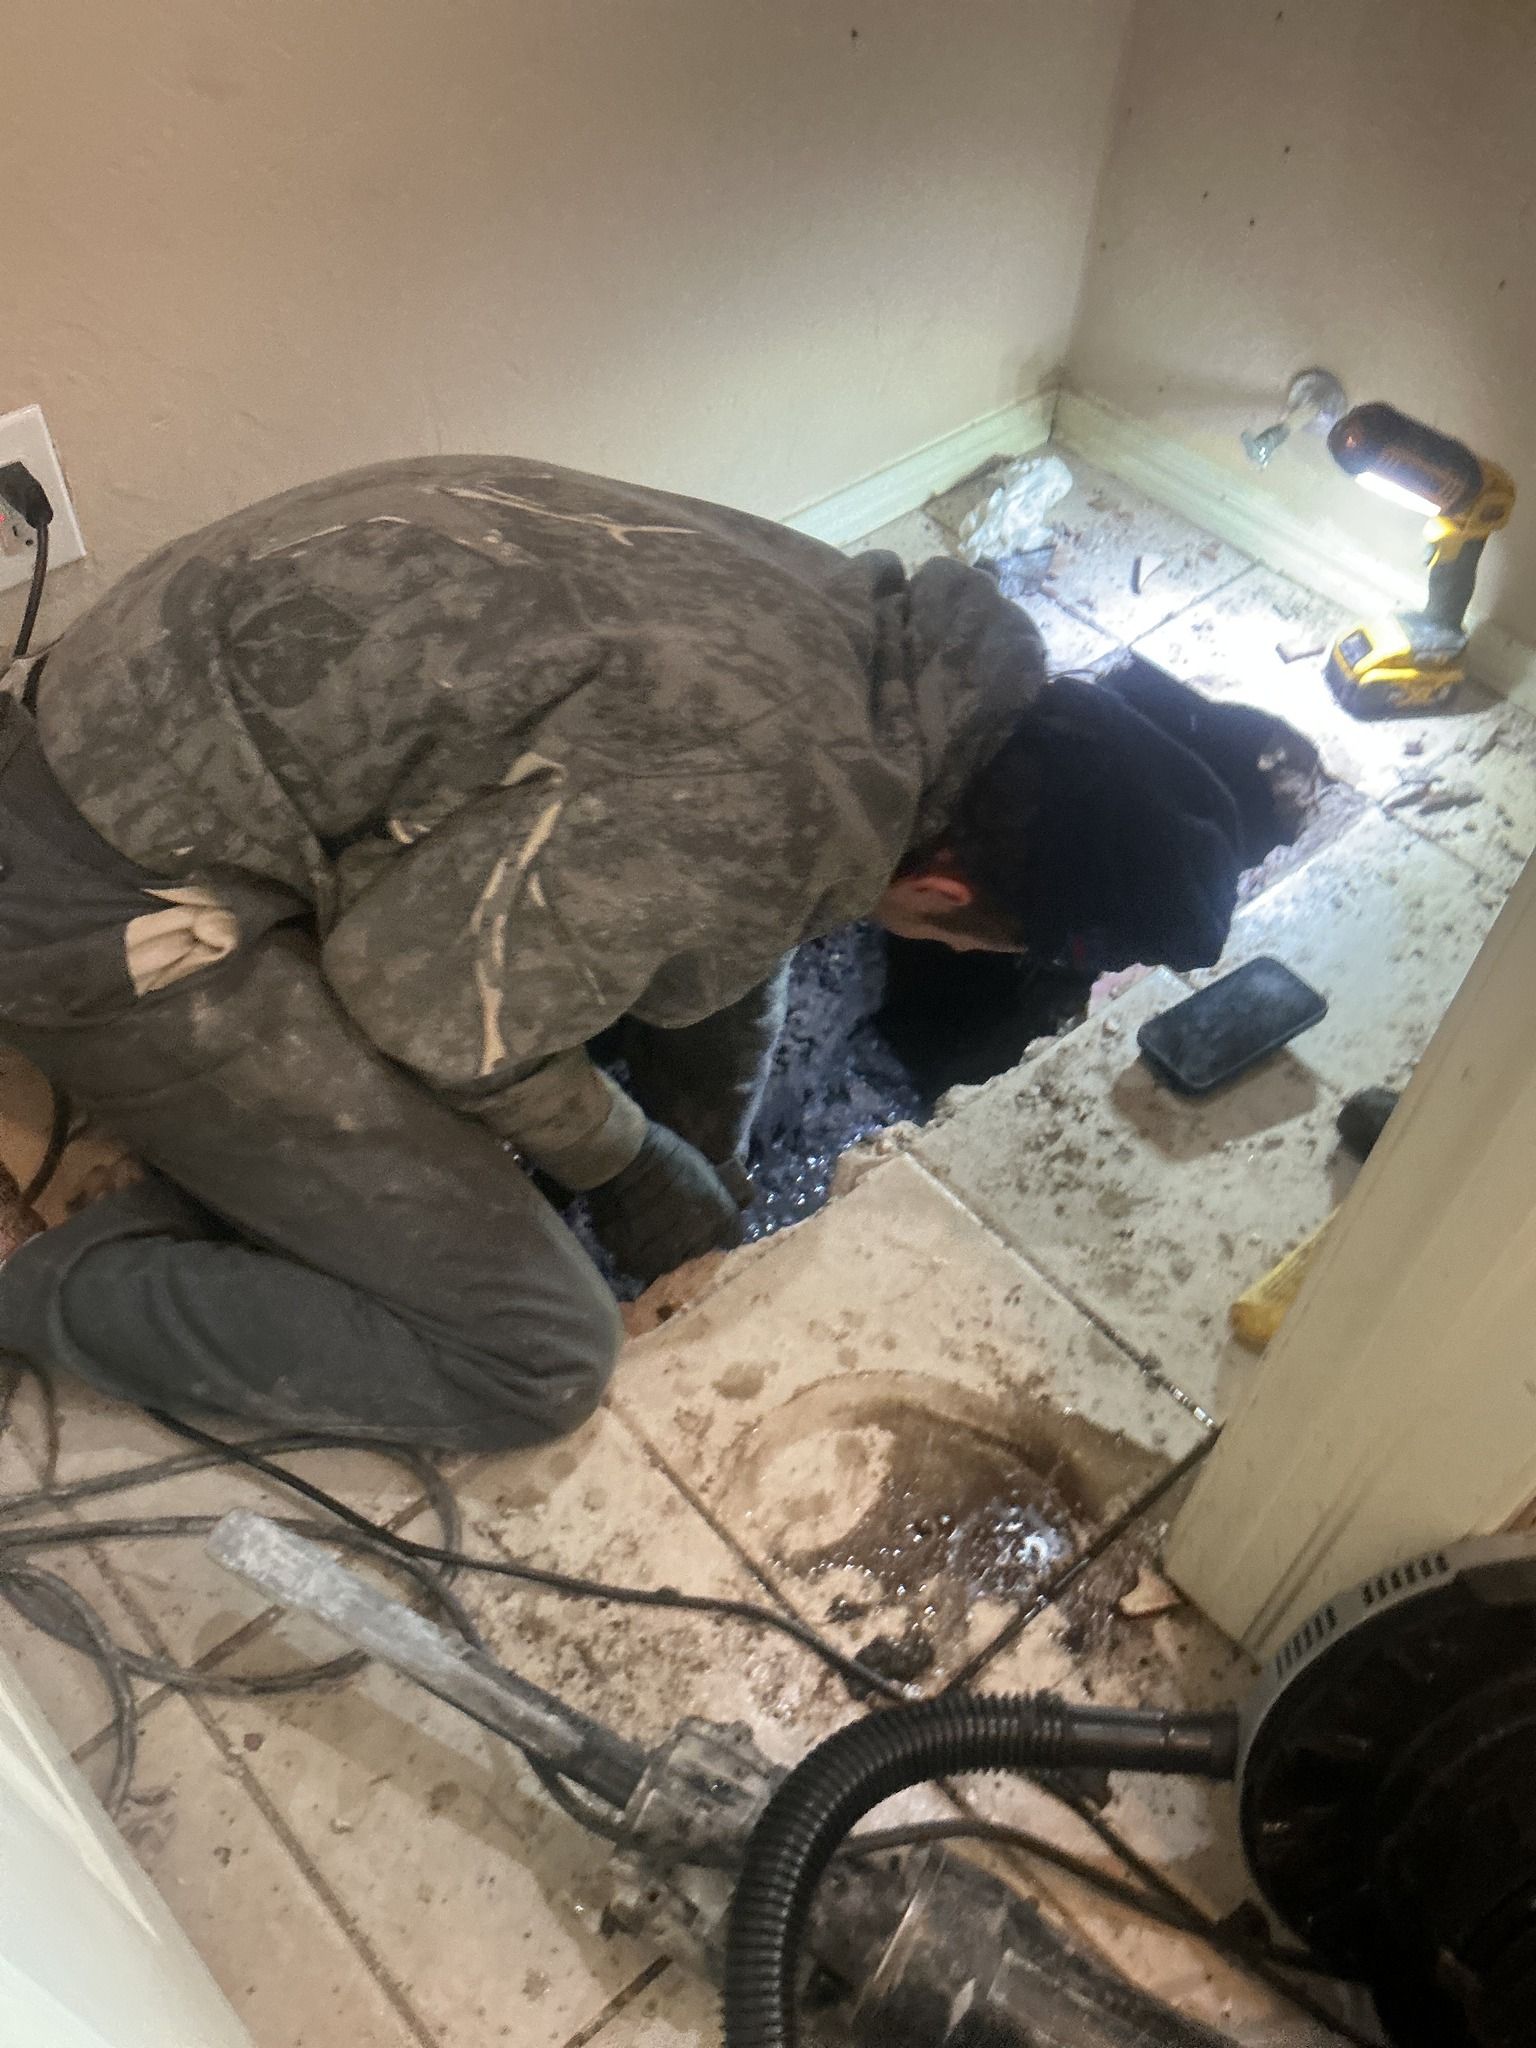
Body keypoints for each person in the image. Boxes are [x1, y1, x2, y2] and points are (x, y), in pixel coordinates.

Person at [0, 456, 1289, 1451]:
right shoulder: (749, 802)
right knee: (540, 1355)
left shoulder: (882, 661)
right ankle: (47, 1293)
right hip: (99, 884)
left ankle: (277, 1192)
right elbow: (422, 1007)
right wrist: (627, 1159)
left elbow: (735, 913)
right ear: (945, 887)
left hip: (167, 708)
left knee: (530, 1061)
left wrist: (708, 1139)